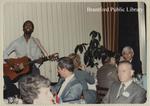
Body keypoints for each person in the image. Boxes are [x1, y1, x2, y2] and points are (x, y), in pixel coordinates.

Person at [3, 20, 44, 99]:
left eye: (30, 26)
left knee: (37, 90)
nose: (28, 27)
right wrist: (13, 64)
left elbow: (39, 56)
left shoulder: (36, 41)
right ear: (23, 28)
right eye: (26, 25)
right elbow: (4, 54)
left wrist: (40, 60)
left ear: (33, 29)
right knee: (23, 90)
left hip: (34, 68)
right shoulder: (16, 42)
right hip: (22, 70)